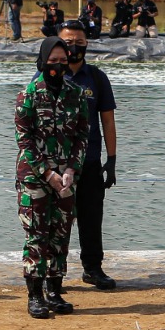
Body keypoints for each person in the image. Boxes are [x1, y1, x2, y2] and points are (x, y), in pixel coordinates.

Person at [15, 37, 89, 318]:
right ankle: (35, 296)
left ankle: (55, 292)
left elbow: (82, 135)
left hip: (66, 178)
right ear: (42, 61)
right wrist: (47, 173)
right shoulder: (28, 95)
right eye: (52, 61)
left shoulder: (76, 94)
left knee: (61, 235)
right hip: (35, 178)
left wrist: (71, 169)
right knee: (37, 236)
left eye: (62, 60)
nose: (58, 66)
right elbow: (25, 140)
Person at [57, 20, 119, 289]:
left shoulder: (96, 77)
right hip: (57, 165)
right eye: (68, 43)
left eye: (79, 43)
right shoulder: (48, 76)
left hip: (90, 162)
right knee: (57, 221)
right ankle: (55, 273)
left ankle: (92, 268)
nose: (74, 47)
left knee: (91, 219)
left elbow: (108, 121)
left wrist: (111, 160)